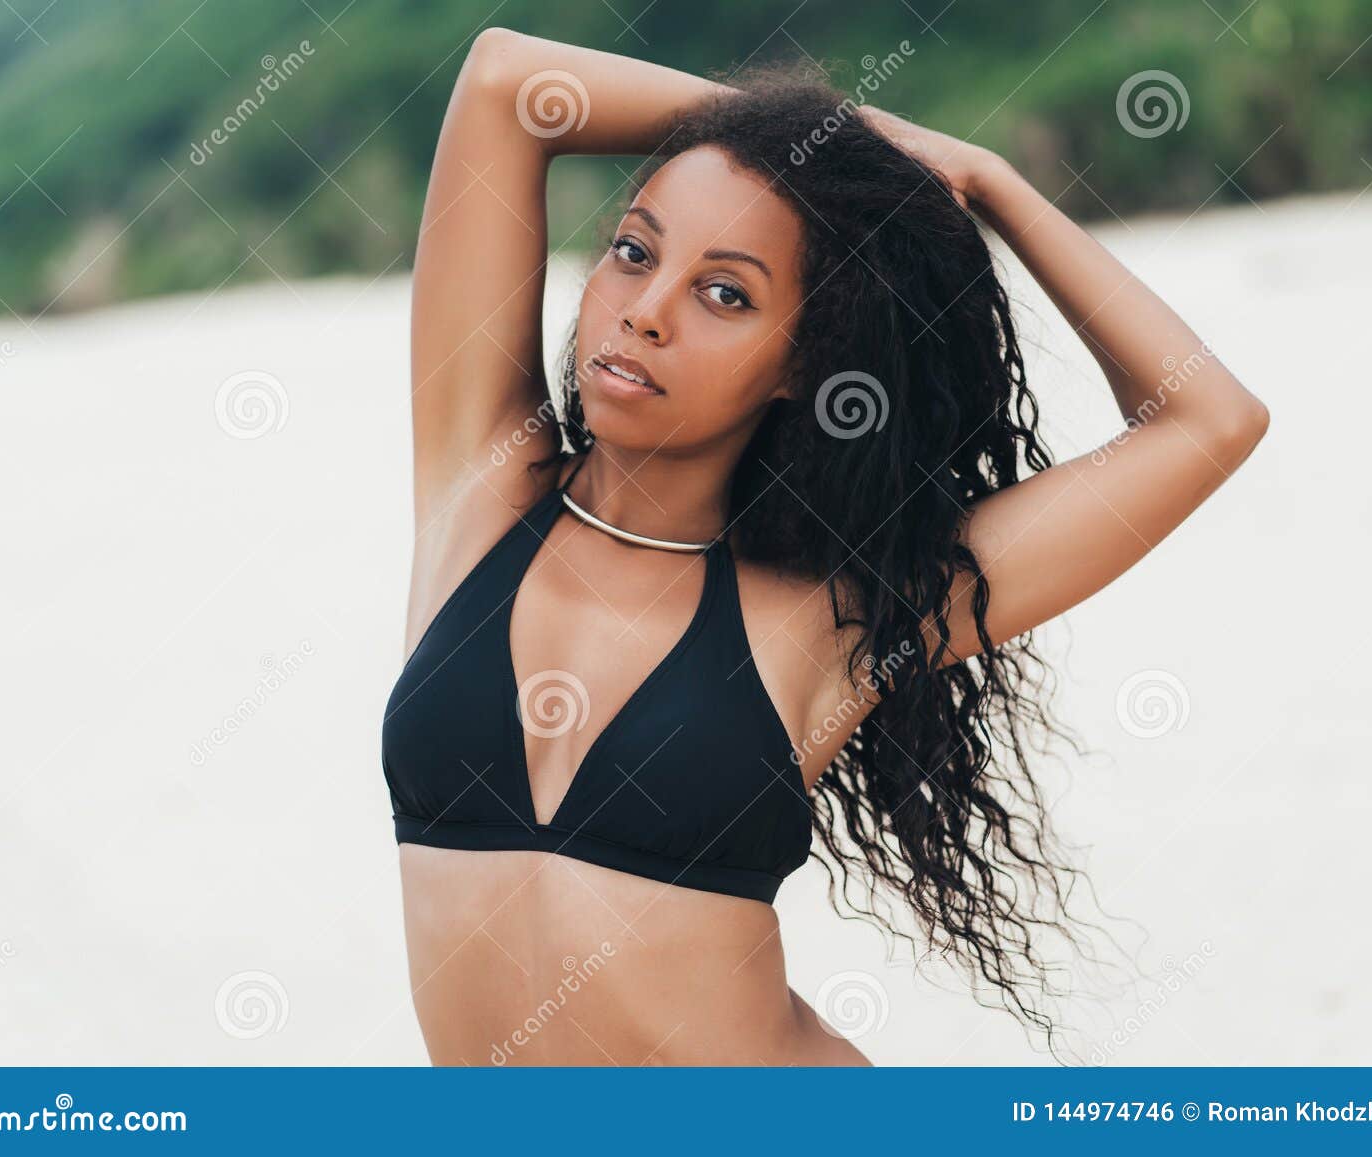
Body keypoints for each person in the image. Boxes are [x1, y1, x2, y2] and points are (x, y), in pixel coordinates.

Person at [380, 28, 1270, 1066]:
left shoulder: (838, 613)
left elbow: (1205, 420)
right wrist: (816, 146)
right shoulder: (480, 489)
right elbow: (504, 79)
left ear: (805, 362)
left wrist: (985, 181)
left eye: (727, 293)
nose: (646, 313)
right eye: (634, 251)